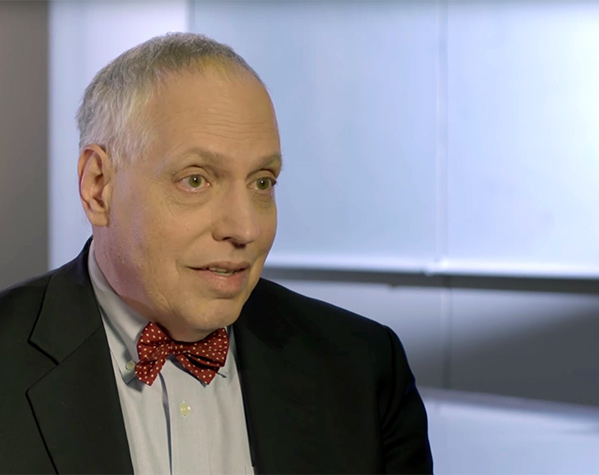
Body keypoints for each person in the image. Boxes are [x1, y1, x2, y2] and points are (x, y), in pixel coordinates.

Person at [0, 33, 432, 474]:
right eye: (196, 180)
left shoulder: (364, 367)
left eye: (262, 182)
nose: (245, 229)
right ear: (99, 188)